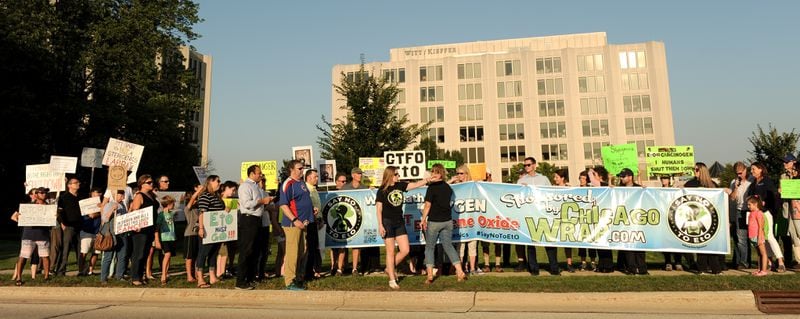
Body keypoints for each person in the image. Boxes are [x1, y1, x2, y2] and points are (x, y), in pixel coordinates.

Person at [377, 166, 431, 289]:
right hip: (387, 222)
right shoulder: (382, 190)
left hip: (399, 221)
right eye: (396, 174)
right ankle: (392, 279)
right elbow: (379, 209)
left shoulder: (400, 186)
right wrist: (380, 225)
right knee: (390, 252)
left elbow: (415, 184)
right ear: (390, 175)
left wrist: (427, 180)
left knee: (405, 250)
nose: (398, 176)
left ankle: (389, 268)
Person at [421, 163, 466, 284]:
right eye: (432, 172)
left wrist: (423, 219)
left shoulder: (431, 188)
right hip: (447, 221)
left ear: (439, 174)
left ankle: (430, 274)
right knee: (449, 246)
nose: (432, 174)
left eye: (434, 172)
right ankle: (460, 271)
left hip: (434, 221)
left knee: (429, 247)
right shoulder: (447, 187)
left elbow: (427, 205)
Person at [279, 160, 315, 290]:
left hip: (304, 223)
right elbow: (283, 204)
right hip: (293, 224)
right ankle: (289, 281)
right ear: (291, 169)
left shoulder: (301, 183)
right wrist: (294, 219)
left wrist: (311, 211)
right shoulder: (288, 184)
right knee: (292, 252)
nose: (302, 170)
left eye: (302, 168)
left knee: (302, 251)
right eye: (299, 168)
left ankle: (298, 277)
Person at [517, 157, 557, 276]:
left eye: (528, 165)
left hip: (543, 214)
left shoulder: (543, 179)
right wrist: (522, 189)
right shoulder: (521, 181)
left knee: (549, 241)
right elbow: (518, 197)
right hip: (529, 214)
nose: (526, 167)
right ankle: (533, 269)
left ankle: (554, 268)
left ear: (534, 165)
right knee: (530, 243)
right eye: (525, 165)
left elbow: (551, 193)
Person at [236, 165, 272, 290]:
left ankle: (250, 278)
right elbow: (246, 204)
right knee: (246, 250)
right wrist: (262, 201)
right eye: (259, 173)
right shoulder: (245, 186)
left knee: (255, 251)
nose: (260, 175)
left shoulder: (256, 186)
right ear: (252, 174)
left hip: (257, 220)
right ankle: (240, 281)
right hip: (248, 219)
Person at [746, 162, 785, 272]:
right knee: (762, 239)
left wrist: (766, 204)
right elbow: (750, 197)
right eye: (751, 169)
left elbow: (773, 195)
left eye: (753, 169)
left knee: (769, 236)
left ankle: (780, 261)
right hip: (755, 214)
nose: (752, 171)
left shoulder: (767, 181)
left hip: (765, 213)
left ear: (760, 169)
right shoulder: (753, 183)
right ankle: (768, 261)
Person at [685, 163, 722, 275]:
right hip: (695, 218)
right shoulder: (690, 184)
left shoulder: (712, 185)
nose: (694, 172)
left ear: (702, 171)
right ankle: (702, 268)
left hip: (709, 217)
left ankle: (715, 268)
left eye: (696, 169)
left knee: (711, 244)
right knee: (701, 244)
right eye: (694, 170)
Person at [11, 187, 51, 285]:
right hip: (28, 235)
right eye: (41, 192)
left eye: (45, 192)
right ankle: (19, 278)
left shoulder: (50, 207)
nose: (44, 194)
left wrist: (55, 216)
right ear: (36, 194)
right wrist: (22, 221)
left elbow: (54, 220)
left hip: (43, 235)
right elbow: (14, 217)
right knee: (23, 257)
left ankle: (46, 277)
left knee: (45, 256)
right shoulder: (27, 206)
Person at [128, 175, 160, 286]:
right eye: (149, 182)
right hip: (140, 229)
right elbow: (135, 211)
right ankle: (135, 277)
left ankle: (141, 276)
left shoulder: (151, 195)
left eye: (152, 182)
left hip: (150, 228)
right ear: (142, 184)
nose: (152, 184)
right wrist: (137, 225)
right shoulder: (139, 196)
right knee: (139, 253)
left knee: (145, 253)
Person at [449, 164, 481, 275]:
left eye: (461, 173)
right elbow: (441, 188)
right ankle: (460, 268)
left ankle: (472, 269)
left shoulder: (473, 185)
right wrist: (451, 180)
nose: (459, 176)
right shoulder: (454, 186)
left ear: (466, 174)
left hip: (472, 220)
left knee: (472, 245)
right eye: (457, 173)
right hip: (460, 220)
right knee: (460, 246)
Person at [616, 168, 648, 275]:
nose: (621, 178)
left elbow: (645, 196)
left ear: (630, 177)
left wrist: (643, 186)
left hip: (638, 222)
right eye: (620, 176)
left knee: (639, 245)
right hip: (625, 222)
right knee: (628, 245)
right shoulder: (619, 189)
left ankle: (642, 268)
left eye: (623, 176)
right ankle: (632, 268)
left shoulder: (638, 188)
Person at [195, 175, 224, 288]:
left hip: (216, 230)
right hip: (206, 229)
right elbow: (202, 213)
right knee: (203, 253)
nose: (219, 183)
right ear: (211, 182)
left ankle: (212, 277)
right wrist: (201, 228)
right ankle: (200, 278)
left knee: (213, 253)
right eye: (217, 181)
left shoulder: (216, 196)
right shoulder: (205, 196)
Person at [725, 162, 752, 270]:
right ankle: (738, 260)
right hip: (738, 210)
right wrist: (735, 188)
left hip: (749, 210)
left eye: (741, 173)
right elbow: (732, 198)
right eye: (737, 173)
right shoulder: (734, 182)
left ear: (746, 170)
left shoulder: (751, 181)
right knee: (738, 238)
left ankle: (744, 262)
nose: (739, 175)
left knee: (743, 238)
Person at [341, 167, 368, 275]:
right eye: (358, 174)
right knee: (342, 245)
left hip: (359, 219)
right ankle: (340, 267)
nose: (360, 175)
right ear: (353, 175)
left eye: (361, 173)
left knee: (357, 244)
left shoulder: (364, 187)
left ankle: (355, 268)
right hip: (348, 219)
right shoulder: (345, 188)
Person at [55, 177, 84, 276]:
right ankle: (60, 270)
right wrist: (62, 223)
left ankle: (81, 270)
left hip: (80, 226)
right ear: (69, 185)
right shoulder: (63, 197)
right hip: (68, 226)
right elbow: (58, 212)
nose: (78, 184)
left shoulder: (81, 197)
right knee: (65, 249)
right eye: (76, 183)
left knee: (80, 249)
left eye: (78, 182)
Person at [100, 190, 128, 284]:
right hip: (112, 234)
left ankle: (119, 275)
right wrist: (112, 210)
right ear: (114, 195)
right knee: (108, 256)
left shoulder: (123, 205)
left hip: (122, 233)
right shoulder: (109, 205)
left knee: (122, 255)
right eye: (120, 194)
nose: (122, 196)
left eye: (123, 194)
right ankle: (103, 278)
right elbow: (105, 219)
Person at [304, 169, 325, 280]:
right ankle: (309, 271)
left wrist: (320, 218)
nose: (317, 178)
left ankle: (314, 270)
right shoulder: (307, 189)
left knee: (315, 247)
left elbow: (318, 206)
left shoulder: (314, 189)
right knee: (310, 247)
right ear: (308, 178)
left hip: (316, 221)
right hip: (310, 222)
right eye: (315, 176)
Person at [781, 154, 800, 269]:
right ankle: (799, 261)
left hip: (798, 209)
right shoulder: (783, 176)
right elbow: (784, 192)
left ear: (793, 162)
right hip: (788, 208)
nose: (784, 164)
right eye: (784, 162)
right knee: (794, 235)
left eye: (787, 162)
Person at [218, 181, 239, 279]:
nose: (234, 193)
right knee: (223, 252)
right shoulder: (220, 200)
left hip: (231, 229)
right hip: (221, 229)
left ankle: (228, 268)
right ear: (226, 188)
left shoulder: (233, 200)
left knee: (231, 250)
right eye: (233, 190)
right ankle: (221, 272)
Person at [576, 170, 597, 271]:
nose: (581, 180)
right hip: (580, 220)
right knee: (582, 243)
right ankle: (583, 262)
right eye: (580, 178)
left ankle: (593, 262)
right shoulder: (576, 189)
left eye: (583, 178)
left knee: (591, 242)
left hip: (590, 219)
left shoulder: (592, 190)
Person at [183, 184, 202, 283]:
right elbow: (193, 198)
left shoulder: (198, 209)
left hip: (198, 234)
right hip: (190, 234)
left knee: (196, 256)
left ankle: (195, 274)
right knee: (189, 256)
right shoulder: (187, 209)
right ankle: (189, 276)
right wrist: (198, 191)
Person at [155, 195, 176, 285]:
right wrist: (157, 240)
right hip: (164, 237)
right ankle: (163, 274)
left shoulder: (171, 214)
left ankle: (166, 273)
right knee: (167, 254)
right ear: (168, 204)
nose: (174, 205)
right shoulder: (161, 215)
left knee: (169, 256)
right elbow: (157, 228)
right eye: (172, 203)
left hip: (171, 237)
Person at [330, 172, 348, 275]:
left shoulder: (349, 192)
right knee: (333, 247)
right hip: (333, 224)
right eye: (342, 181)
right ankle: (333, 265)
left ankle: (340, 268)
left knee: (342, 246)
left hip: (344, 227)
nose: (344, 183)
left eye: (346, 181)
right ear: (336, 182)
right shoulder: (331, 193)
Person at [748, 196, 769, 276]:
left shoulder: (759, 213)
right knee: (759, 254)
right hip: (753, 236)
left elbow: (761, 226)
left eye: (750, 205)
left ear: (755, 204)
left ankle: (764, 270)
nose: (748, 206)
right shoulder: (751, 213)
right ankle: (759, 269)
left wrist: (760, 237)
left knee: (763, 253)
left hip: (758, 236)